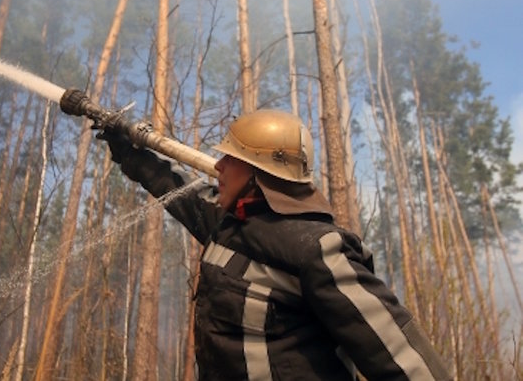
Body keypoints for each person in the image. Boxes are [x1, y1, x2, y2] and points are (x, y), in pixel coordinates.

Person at [98, 109, 451, 381]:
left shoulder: (319, 250)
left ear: (258, 173)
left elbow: (404, 359)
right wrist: (126, 150)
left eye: (230, 158)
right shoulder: (226, 224)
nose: (218, 164)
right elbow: (173, 185)